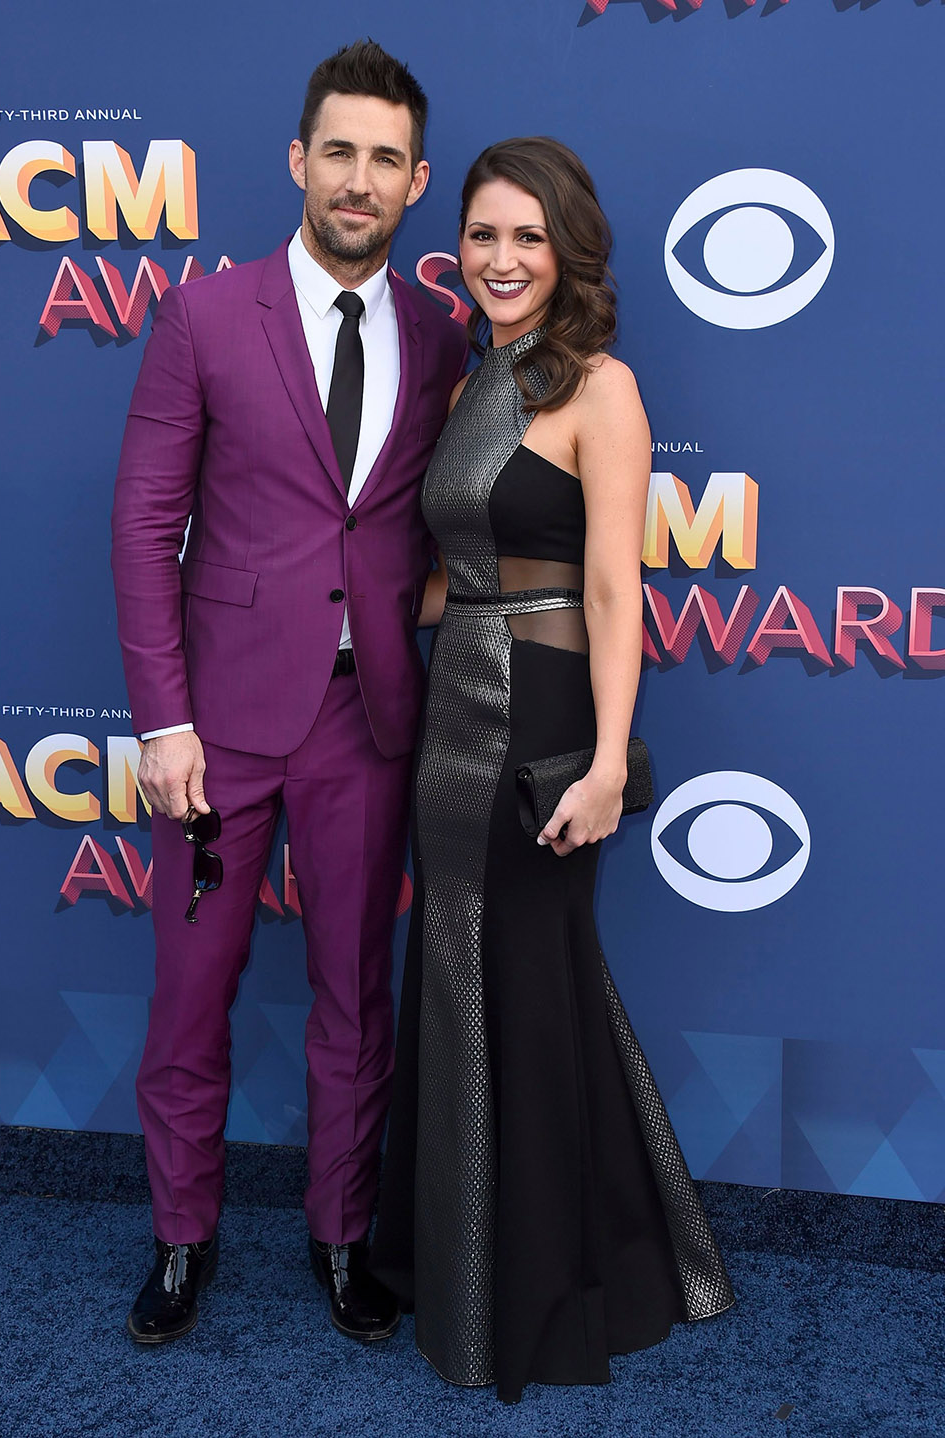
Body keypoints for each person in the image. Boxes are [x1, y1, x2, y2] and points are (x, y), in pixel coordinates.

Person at [110, 40, 467, 1346]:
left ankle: (338, 1235)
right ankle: (182, 1236)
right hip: (216, 731)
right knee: (190, 991)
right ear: (297, 161)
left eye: (385, 158)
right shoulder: (207, 316)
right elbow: (146, 524)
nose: (359, 179)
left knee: (354, 998)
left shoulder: (440, 342)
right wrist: (162, 720)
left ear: (416, 179)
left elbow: (435, 529)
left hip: (369, 726)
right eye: (339, 151)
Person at [370, 137, 734, 1403]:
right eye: (482, 235)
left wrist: (602, 767)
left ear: (567, 249)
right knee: (468, 978)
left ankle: (547, 1288)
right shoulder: (477, 374)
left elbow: (615, 589)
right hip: (452, 709)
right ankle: (462, 1264)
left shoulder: (602, 388)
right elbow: (454, 571)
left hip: (545, 714)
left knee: (527, 983)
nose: (502, 258)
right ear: (456, 247)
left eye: (527, 236)